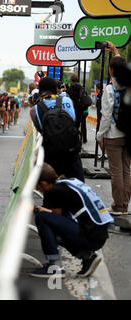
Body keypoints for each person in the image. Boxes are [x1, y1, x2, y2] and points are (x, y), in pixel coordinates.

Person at [30, 163, 113, 278]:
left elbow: (56, 219)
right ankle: (87, 257)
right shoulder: (68, 183)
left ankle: (54, 266)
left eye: (37, 186)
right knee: (48, 220)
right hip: (99, 234)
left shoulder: (53, 191)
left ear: (43, 183)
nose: (37, 189)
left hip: (91, 236)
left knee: (42, 219)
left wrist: (40, 211)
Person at [30, 76, 84, 182]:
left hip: (51, 152)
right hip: (71, 150)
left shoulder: (36, 109)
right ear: (55, 88)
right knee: (78, 184)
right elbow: (73, 120)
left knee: (52, 186)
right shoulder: (67, 100)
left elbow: (40, 129)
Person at [96, 48, 130, 216]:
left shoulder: (110, 89)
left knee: (116, 171)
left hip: (114, 134)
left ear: (110, 70)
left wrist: (99, 135)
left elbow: (106, 115)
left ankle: (118, 206)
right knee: (126, 170)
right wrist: (116, 52)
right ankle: (124, 204)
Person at [67, 74, 87, 144]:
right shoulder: (81, 87)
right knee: (78, 125)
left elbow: (67, 97)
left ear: (71, 81)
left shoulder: (71, 88)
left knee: (72, 126)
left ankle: (72, 141)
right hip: (80, 109)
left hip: (72, 109)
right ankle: (78, 140)